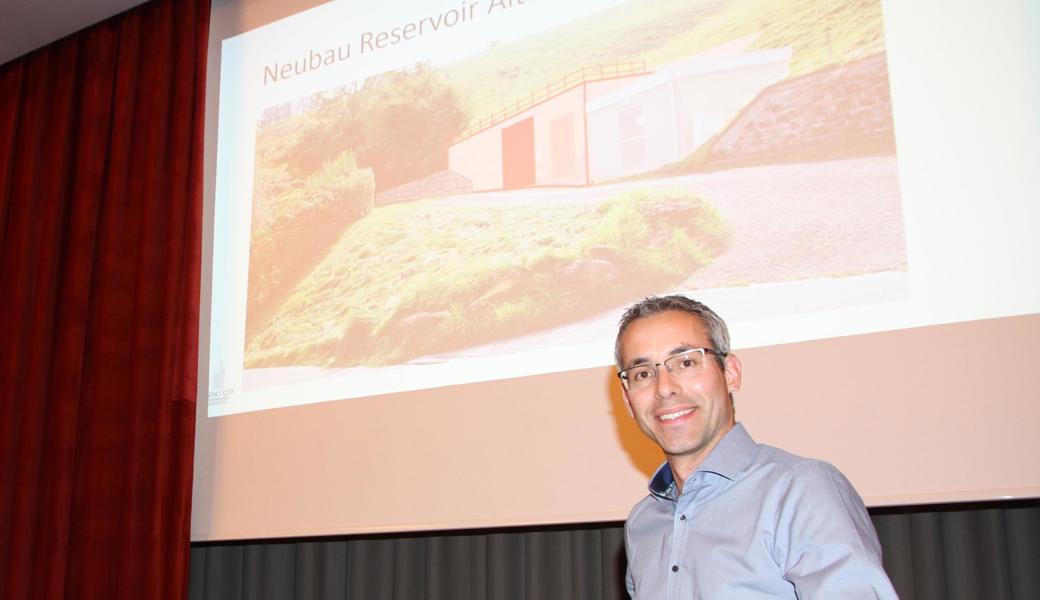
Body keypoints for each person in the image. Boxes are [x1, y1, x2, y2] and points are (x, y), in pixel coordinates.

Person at [616, 295, 898, 599]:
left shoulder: (799, 490)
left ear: (731, 373)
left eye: (686, 363)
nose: (665, 388)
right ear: (628, 399)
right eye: (643, 373)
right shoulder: (642, 523)